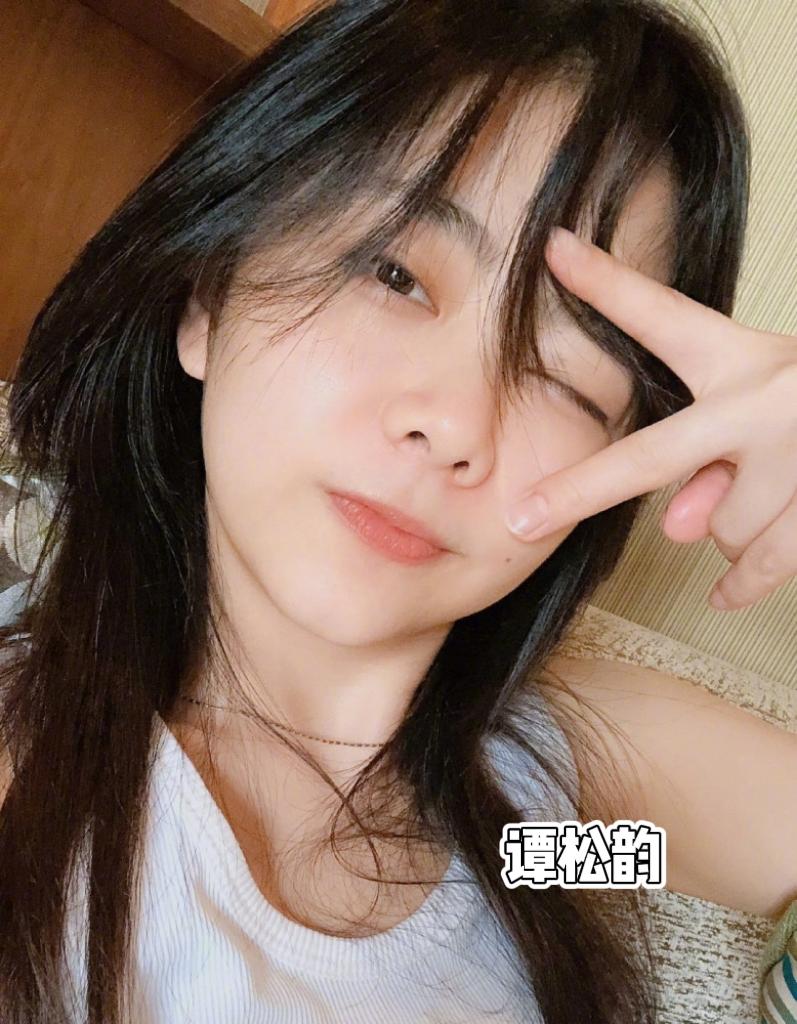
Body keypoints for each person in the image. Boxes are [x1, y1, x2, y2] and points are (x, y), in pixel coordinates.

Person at [0, 1, 794, 1021]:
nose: (455, 423)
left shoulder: (535, 823)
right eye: (394, 274)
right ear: (207, 297)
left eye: (565, 373)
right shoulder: (32, 780)